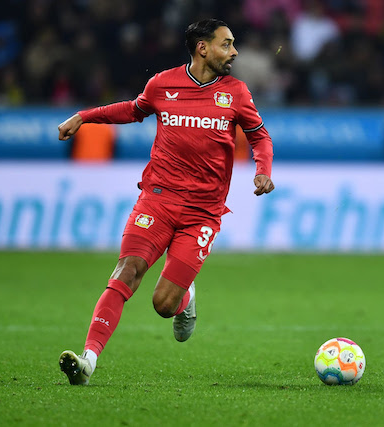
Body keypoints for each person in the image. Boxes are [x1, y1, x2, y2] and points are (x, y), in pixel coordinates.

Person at [56, 19, 275, 385]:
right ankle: (88, 360)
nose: (234, 52)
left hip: (202, 213)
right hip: (157, 199)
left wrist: (262, 170)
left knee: (163, 304)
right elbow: (132, 109)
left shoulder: (236, 92)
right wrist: (84, 116)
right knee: (126, 271)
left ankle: (184, 298)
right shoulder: (163, 83)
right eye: (227, 44)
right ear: (202, 48)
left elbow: (260, 137)